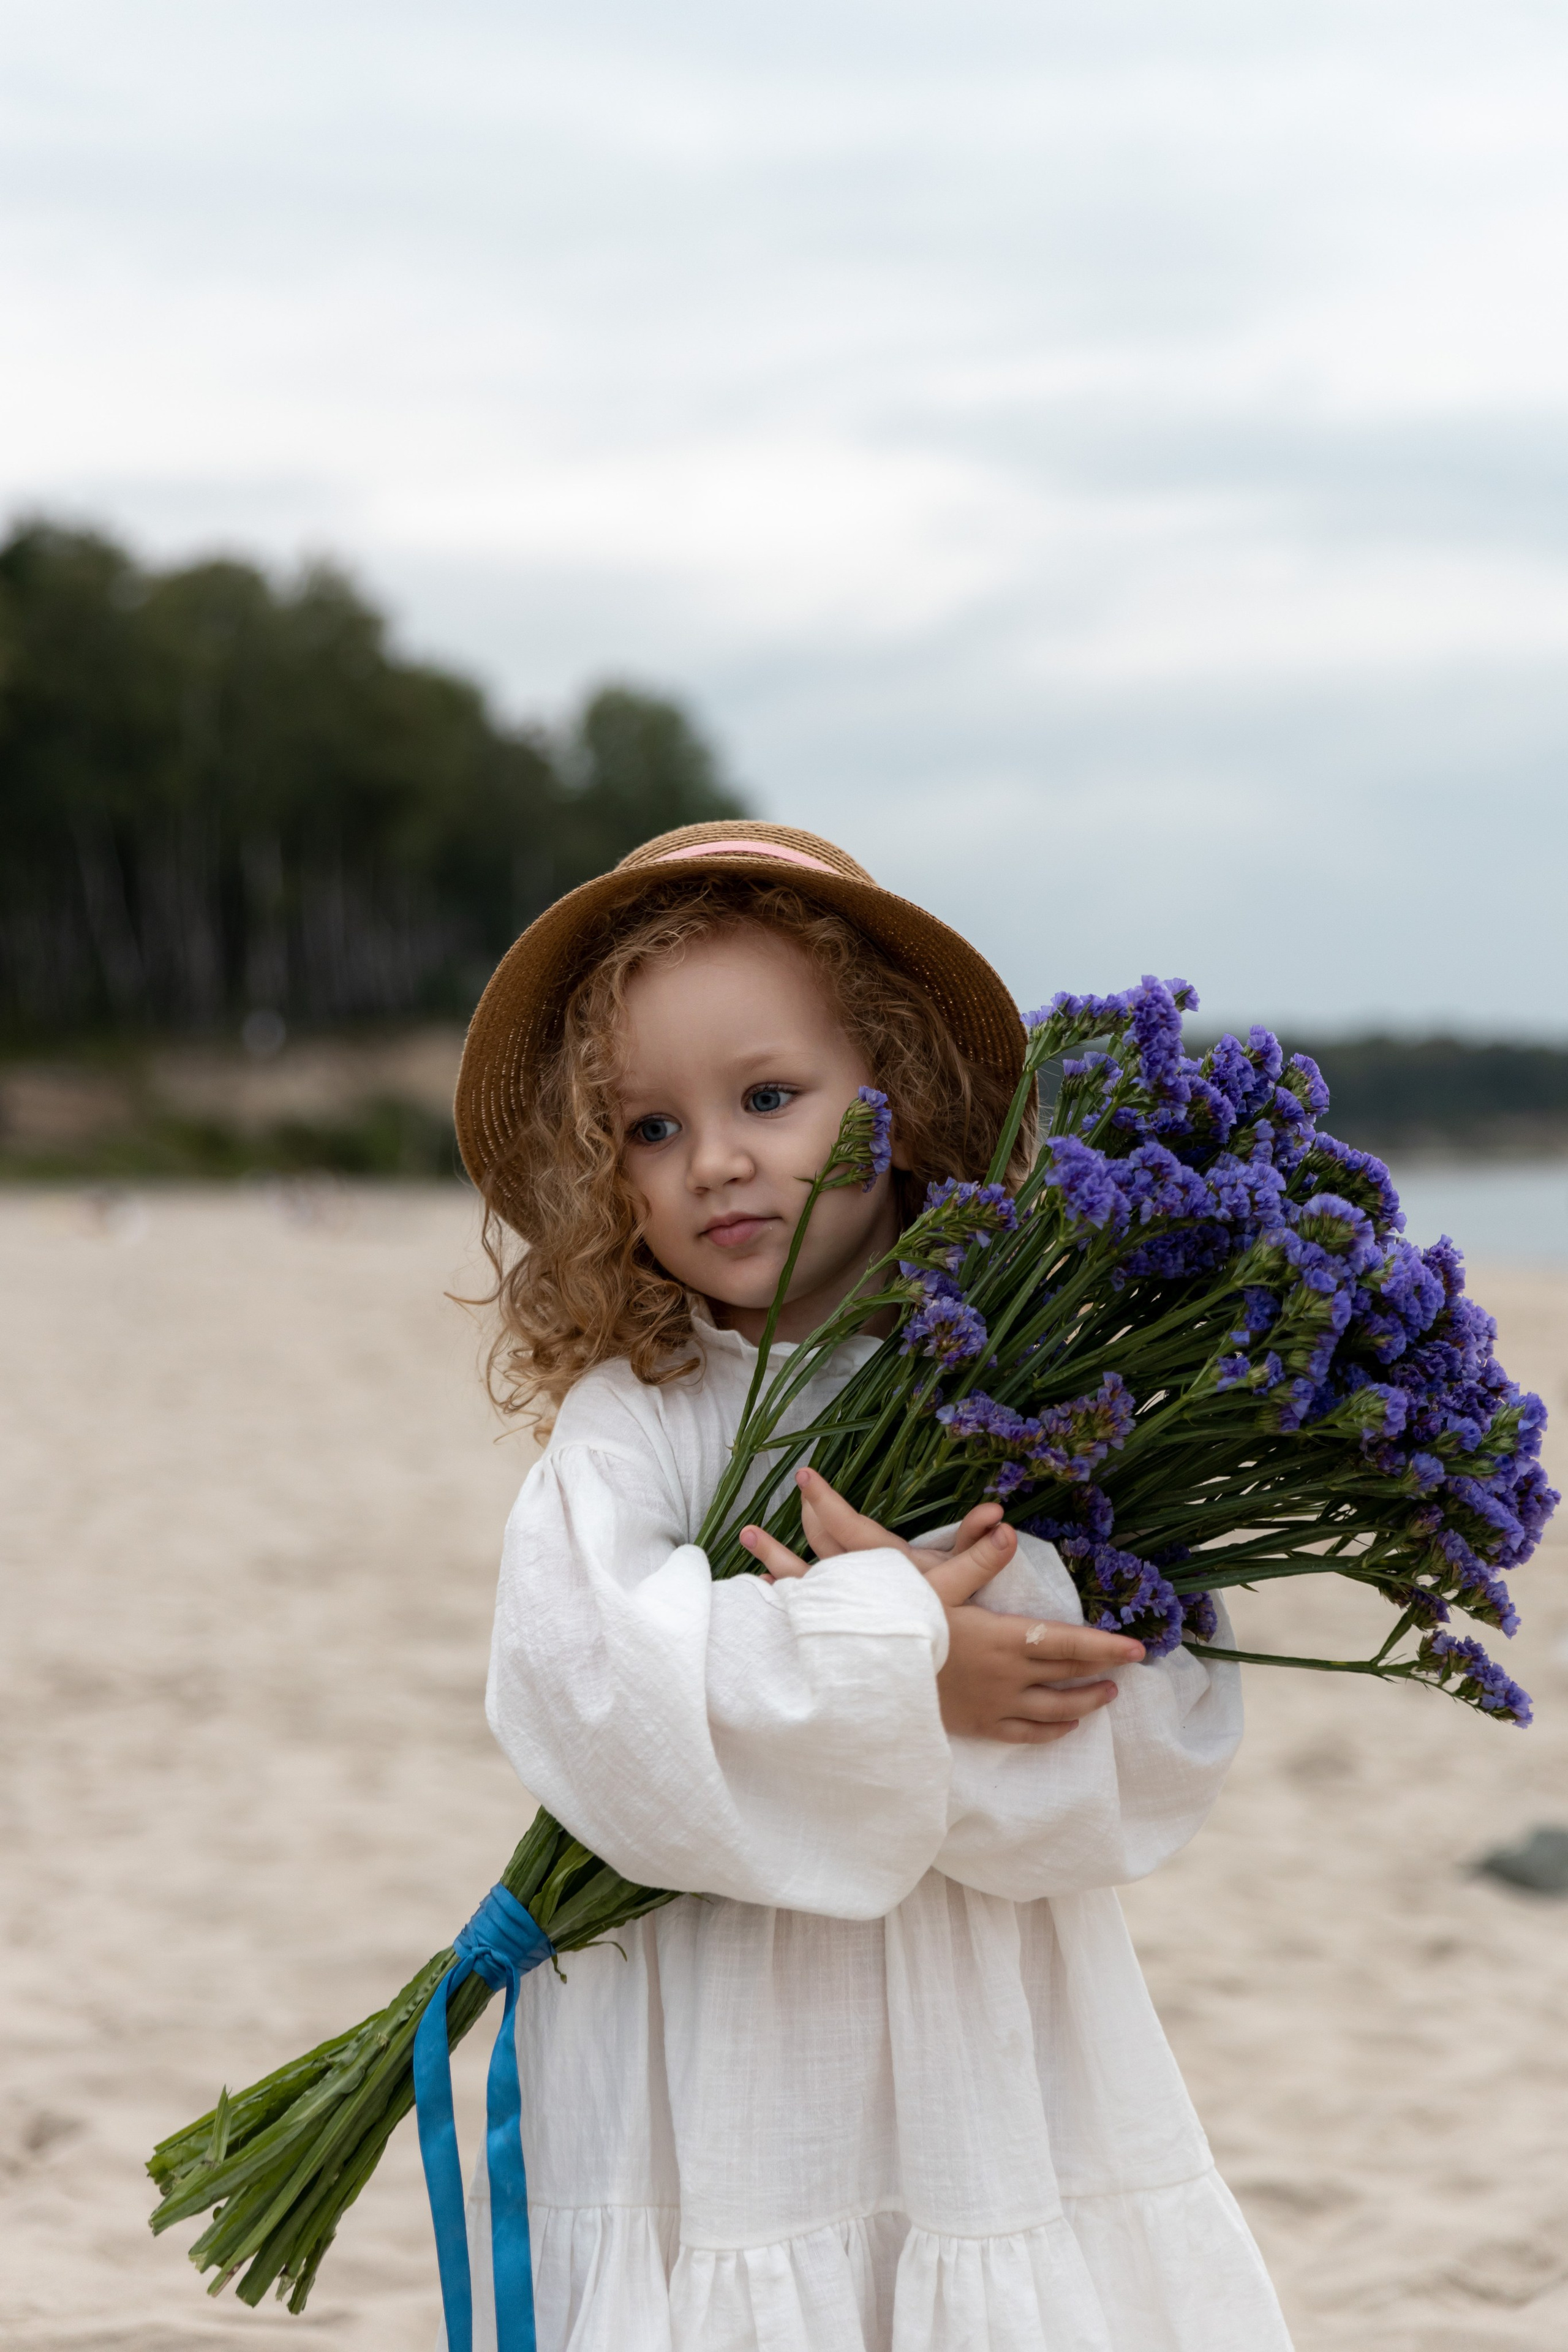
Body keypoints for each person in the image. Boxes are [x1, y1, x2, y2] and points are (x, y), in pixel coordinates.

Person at [454, 820, 1293, 2352]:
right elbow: (591, 1682)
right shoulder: (640, 1413)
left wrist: (979, 1659)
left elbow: (1157, 1713)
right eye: (646, 1128)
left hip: (971, 2009)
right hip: (706, 2025)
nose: (713, 1158)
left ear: (896, 1104)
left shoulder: (1025, 1388)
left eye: (769, 1098)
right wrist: (896, 1662)